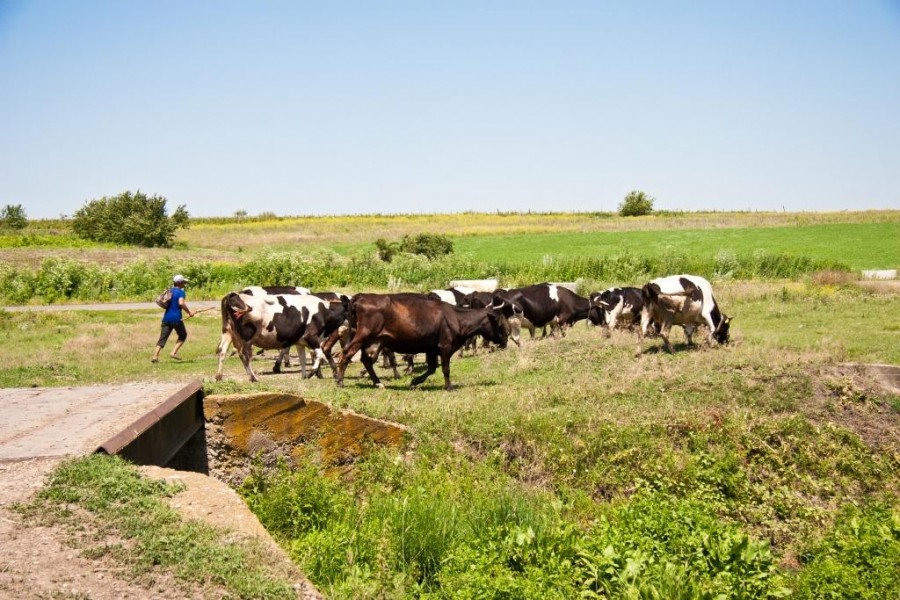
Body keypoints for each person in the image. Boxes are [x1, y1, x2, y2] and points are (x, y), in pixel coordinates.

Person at [151, 274, 194, 363]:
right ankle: (173, 353)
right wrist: (189, 312)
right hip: (176, 318)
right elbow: (181, 303)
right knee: (183, 335)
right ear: (180, 283)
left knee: (163, 337)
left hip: (166, 318)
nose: (184, 284)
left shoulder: (169, 291)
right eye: (183, 282)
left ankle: (155, 356)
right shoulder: (181, 292)